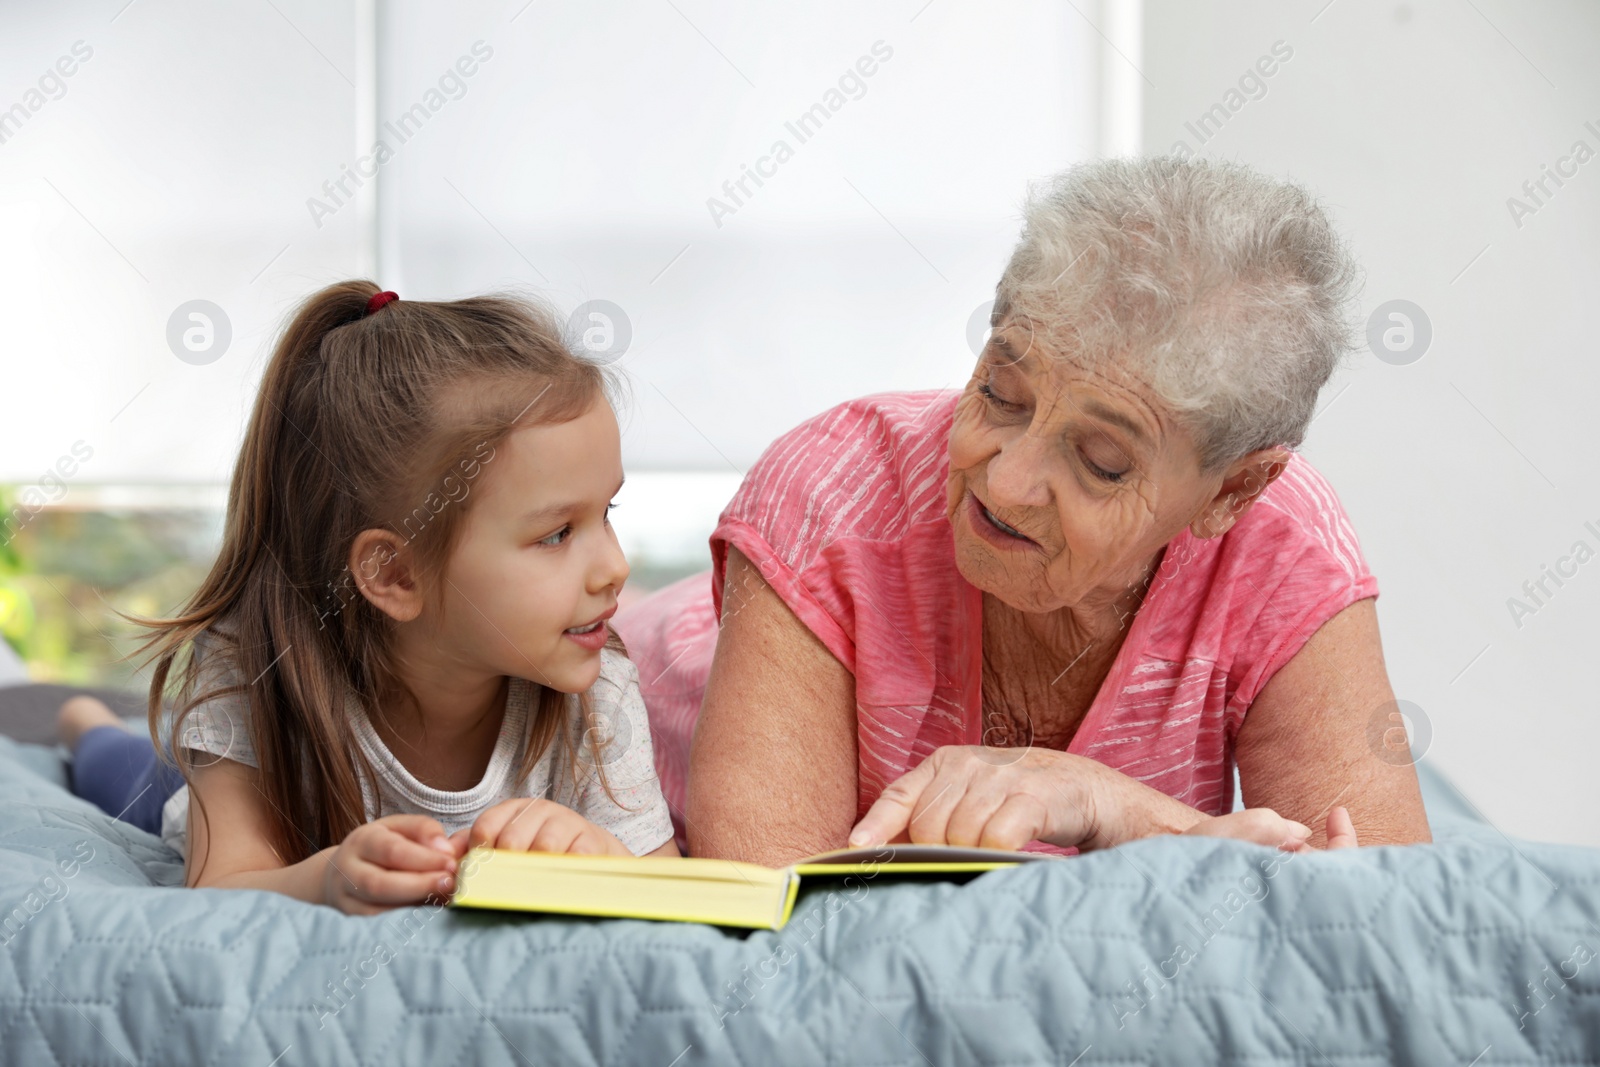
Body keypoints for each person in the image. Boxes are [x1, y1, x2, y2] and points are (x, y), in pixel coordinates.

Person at [616, 157, 1431, 866]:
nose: (1005, 483)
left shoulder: (1283, 545)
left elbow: (1375, 903)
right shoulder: (827, 491)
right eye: (1001, 394)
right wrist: (1189, 840)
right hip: (661, 668)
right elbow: (766, 916)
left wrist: (1116, 806)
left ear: (1231, 491)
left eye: (1101, 461)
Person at [58, 281, 675, 914]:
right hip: (198, 789)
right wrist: (324, 880)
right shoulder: (247, 668)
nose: (616, 567)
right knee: (131, 773)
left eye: (609, 512)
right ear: (397, 576)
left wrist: (606, 862)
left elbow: (672, 892)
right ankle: (86, 723)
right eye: (556, 534)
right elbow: (221, 885)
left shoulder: (599, 689)